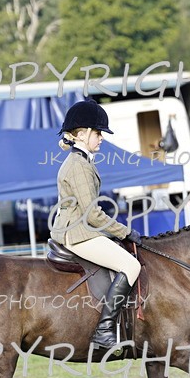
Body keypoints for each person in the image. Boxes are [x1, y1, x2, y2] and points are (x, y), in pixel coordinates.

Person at [50, 99, 142, 352]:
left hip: (79, 229)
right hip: (77, 232)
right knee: (130, 265)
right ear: (82, 134)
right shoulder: (78, 166)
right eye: (98, 133)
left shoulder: (83, 161)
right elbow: (92, 214)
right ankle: (104, 331)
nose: (101, 138)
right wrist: (125, 232)